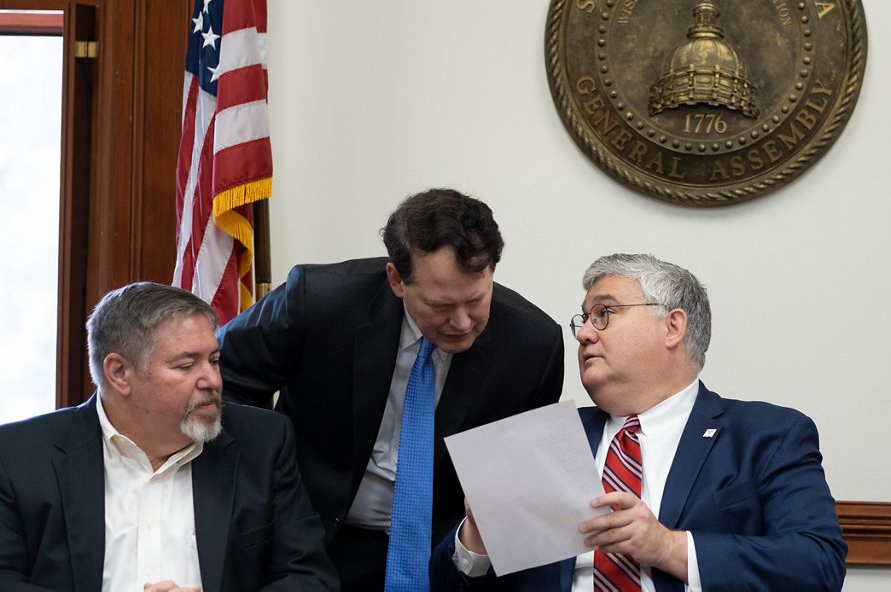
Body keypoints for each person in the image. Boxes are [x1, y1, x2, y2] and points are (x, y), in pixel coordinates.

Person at [431, 253, 847, 592]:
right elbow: (446, 585)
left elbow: (817, 565)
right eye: (585, 318)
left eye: (605, 313)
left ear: (673, 326)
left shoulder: (766, 435)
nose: (584, 334)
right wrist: (477, 540)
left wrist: (667, 547)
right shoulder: (543, 439)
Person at [217, 188, 565, 590]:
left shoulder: (532, 345)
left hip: (445, 555)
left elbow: (523, 483)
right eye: (440, 305)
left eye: (475, 300)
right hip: (311, 541)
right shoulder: (319, 301)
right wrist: (264, 484)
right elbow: (222, 380)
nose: (463, 322)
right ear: (396, 279)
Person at [0, 282, 338, 591]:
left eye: (214, 360)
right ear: (119, 373)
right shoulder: (20, 457)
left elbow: (310, 577)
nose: (213, 381)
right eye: (186, 365)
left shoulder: (262, 443)